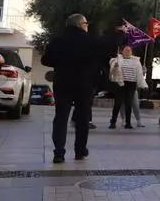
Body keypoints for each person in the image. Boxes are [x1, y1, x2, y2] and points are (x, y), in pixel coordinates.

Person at [41, 14, 122, 163]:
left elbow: (45, 60)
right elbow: (105, 53)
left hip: (62, 83)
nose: (87, 26)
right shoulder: (90, 41)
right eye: (86, 23)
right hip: (84, 84)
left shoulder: (57, 40)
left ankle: (59, 153)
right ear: (80, 25)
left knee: (61, 117)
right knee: (83, 118)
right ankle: (80, 151)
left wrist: (61, 62)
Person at [108, 45, 144, 129]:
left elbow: (139, 73)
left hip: (131, 84)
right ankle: (113, 122)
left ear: (131, 52)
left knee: (128, 105)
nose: (128, 51)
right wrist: (115, 67)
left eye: (129, 50)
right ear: (122, 51)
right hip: (120, 84)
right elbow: (112, 73)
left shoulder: (136, 61)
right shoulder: (116, 59)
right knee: (117, 104)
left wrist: (143, 71)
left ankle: (128, 123)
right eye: (126, 50)